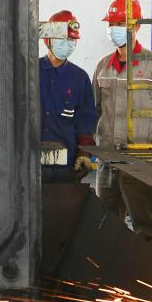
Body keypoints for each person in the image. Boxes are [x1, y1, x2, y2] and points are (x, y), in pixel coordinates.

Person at [92, 0, 152, 250]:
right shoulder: (102, 67)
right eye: (112, 24)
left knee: (146, 229)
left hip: (141, 162)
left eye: (121, 23)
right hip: (108, 161)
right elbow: (96, 110)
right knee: (105, 227)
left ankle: (151, 275)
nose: (114, 29)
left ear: (137, 26)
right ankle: (112, 274)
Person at [39, 10, 98, 183]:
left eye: (71, 39)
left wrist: (84, 154)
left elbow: (85, 121)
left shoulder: (79, 78)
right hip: (28, 162)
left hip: (66, 165)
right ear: (47, 40)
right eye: (62, 38)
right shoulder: (28, 72)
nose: (67, 43)